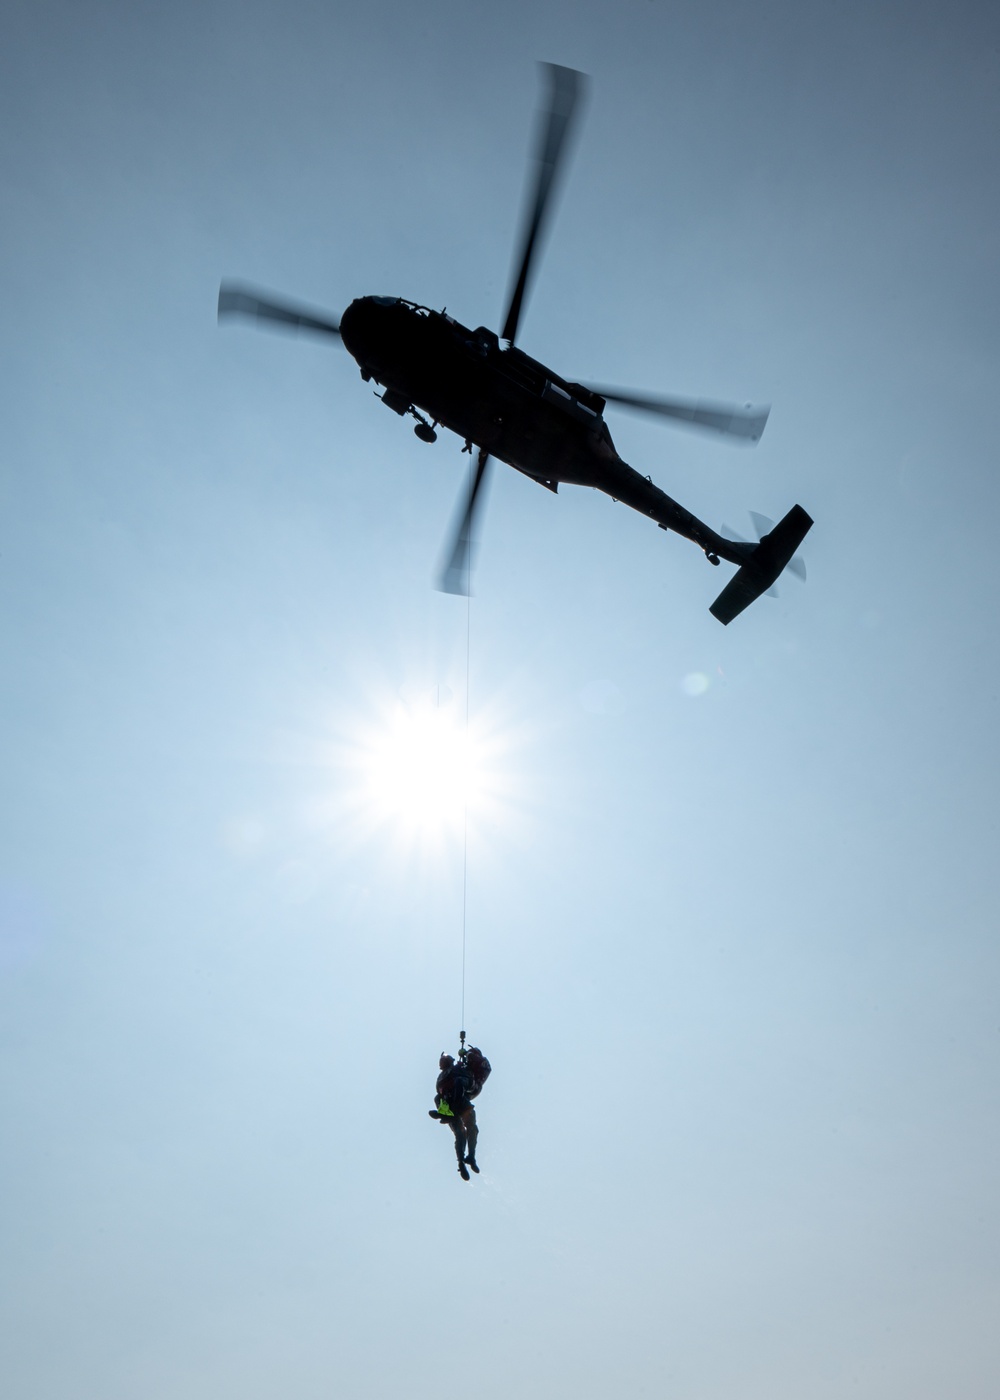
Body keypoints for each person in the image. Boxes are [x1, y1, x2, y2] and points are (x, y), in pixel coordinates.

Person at [429, 1045, 491, 1180]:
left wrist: (468, 1056)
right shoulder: (443, 1076)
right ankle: (461, 1162)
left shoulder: (461, 1067)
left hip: (463, 1099)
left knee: (471, 1128)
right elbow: (440, 1092)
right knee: (459, 1133)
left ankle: (471, 1156)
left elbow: (470, 1075)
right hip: (451, 1104)